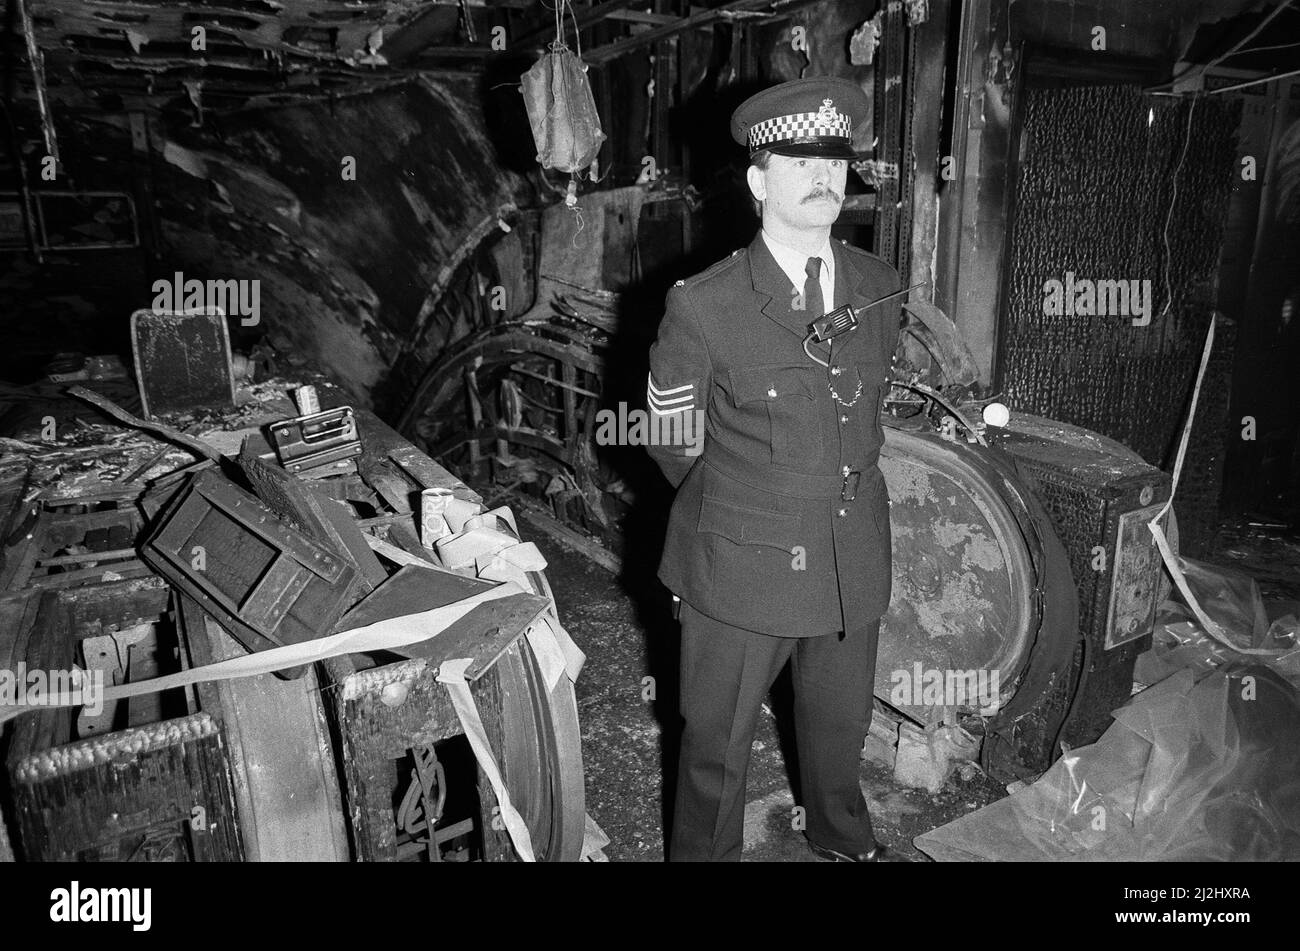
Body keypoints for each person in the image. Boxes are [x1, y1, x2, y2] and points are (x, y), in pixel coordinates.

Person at [645, 75, 909, 862]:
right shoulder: (705, 304)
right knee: (715, 752)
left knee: (838, 731)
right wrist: (747, 507)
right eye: (799, 158)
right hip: (741, 563)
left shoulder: (878, 286)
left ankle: (841, 837)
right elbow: (671, 437)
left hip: (850, 553)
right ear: (760, 181)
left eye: (833, 157)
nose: (823, 174)